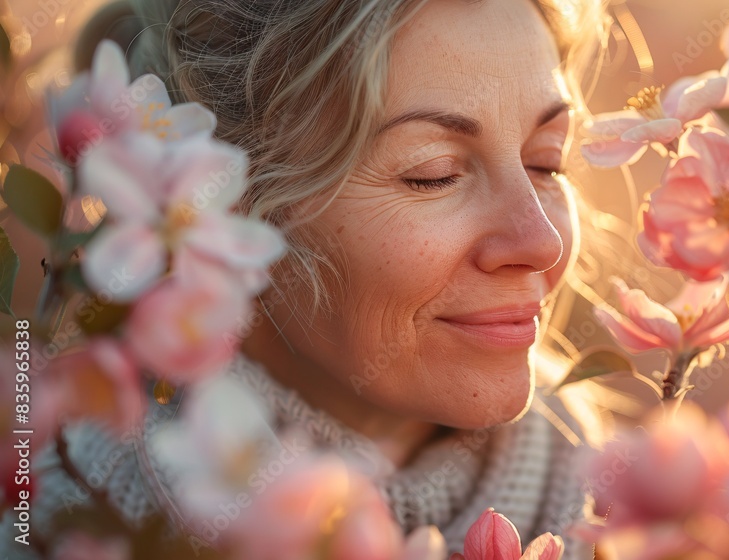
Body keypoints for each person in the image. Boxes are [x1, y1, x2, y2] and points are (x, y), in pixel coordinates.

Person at [3, 0, 610, 558]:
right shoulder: (58, 521)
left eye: (546, 162)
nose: (541, 241)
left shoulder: (613, 507)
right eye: (435, 173)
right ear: (220, 203)